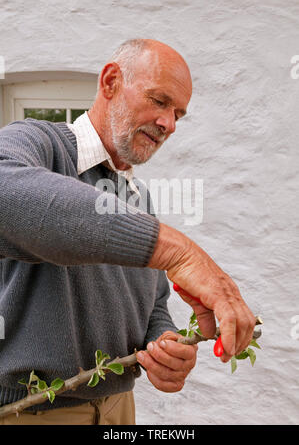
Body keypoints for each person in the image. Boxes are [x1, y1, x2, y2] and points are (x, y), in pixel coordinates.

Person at [0, 39, 256, 425]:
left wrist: (165, 342)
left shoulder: (138, 199)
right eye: (159, 100)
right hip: (33, 413)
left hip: (119, 408)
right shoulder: (41, 145)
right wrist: (178, 251)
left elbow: (152, 303)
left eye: (178, 114)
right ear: (111, 82)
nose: (168, 124)